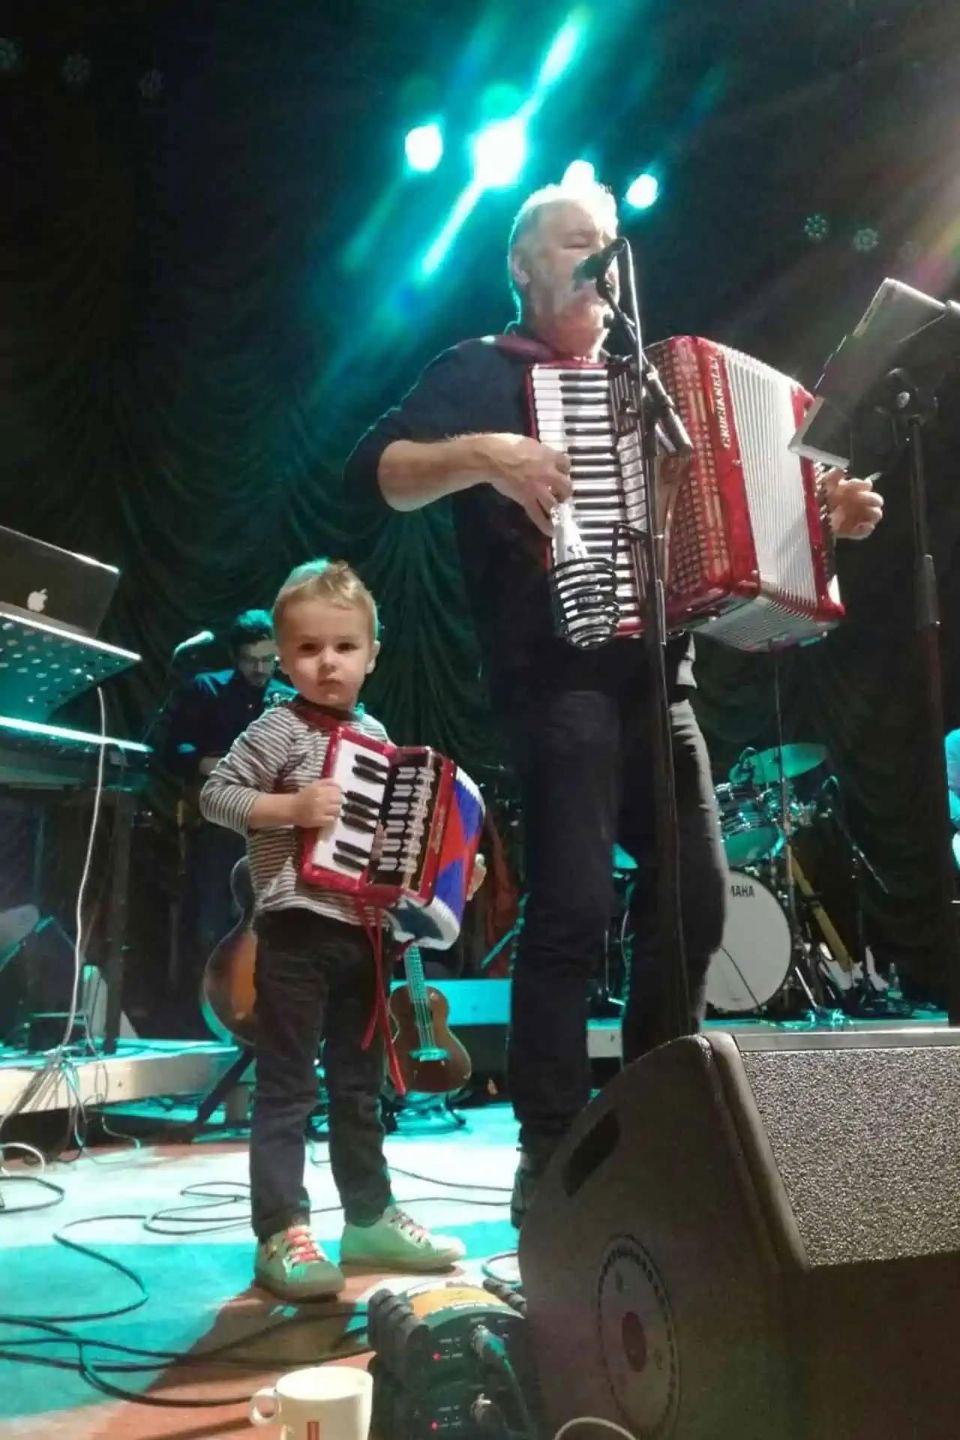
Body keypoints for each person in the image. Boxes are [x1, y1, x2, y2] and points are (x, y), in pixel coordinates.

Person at [344, 179, 885, 1225]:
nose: (597, 263)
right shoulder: (477, 373)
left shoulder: (653, 384)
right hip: (554, 681)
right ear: (522, 267)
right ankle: (546, 1156)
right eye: (574, 247)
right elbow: (378, 474)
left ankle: (656, 1123)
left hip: (657, 673)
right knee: (575, 910)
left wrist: (826, 517)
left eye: (608, 248)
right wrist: (486, 457)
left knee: (696, 901)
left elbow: (736, 504)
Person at [200, 560, 468, 1301]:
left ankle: (368, 1215)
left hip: (364, 935)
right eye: (310, 649)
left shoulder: (378, 736)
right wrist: (288, 811)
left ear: (372, 654)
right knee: (286, 1087)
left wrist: (442, 878)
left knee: (360, 1087)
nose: (328, 662)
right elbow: (216, 794)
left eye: (344, 647)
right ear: (284, 659)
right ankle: (280, 1228)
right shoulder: (275, 727)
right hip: (292, 930)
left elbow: (393, 846)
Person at [162, 610, 292, 1032]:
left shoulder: (287, 697)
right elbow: (172, 749)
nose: (260, 669)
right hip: (219, 825)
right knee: (212, 922)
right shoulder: (207, 689)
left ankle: (259, 1019)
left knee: (270, 927)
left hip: (271, 829)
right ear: (235, 657)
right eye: (251, 660)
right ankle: (207, 1018)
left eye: (268, 659)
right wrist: (208, 763)